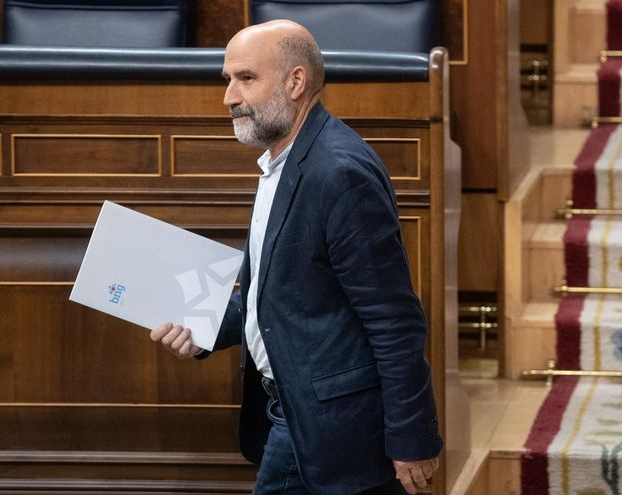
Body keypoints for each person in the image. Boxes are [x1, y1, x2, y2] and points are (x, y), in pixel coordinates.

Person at [150, 19, 442, 495]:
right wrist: (199, 329)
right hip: (293, 414)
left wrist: (411, 435)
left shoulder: (338, 173)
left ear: (296, 82)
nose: (228, 96)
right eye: (227, 80)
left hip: (331, 424)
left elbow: (395, 320)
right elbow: (278, 298)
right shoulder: (279, 163)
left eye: (246, 78)